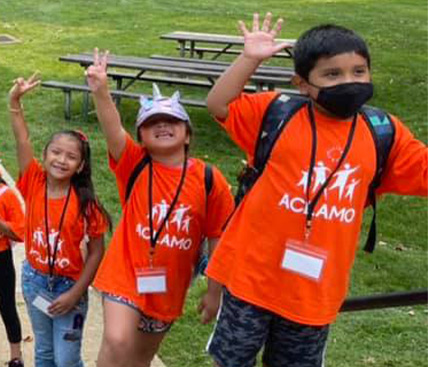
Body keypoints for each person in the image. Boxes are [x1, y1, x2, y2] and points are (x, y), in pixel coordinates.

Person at [205, 13, 427, 367]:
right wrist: (249, 59)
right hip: (251, 279)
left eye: (359, 71)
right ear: (303, 84)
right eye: (332, 74)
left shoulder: (384, 133)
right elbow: (218, 105)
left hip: (314, 292)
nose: (349, 81)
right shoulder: (276, 113)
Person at [85, 49, 234, 367]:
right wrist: (101, 91)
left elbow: (218, 237)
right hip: (124, 273)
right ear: (140, 136)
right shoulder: (134, 164)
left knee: (139, 359)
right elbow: (112, 128)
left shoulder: (210, 179)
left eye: (172, 121)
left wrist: (214, 290)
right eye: (152, 123)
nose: (163, 126)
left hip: (168, 286)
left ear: (188, 135)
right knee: (117, 339)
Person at [9, 74, 112, 367]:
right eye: (56, 152)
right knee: (43, 353)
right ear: (44, 155)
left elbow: (96, 252)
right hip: (34, 281)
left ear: (80, 166)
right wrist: (14, 102)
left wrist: (76, 291)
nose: (61, 160)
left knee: (66, 360)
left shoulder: (87, 204)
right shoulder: (33, 182)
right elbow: (22, 138)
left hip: (70, 287)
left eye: (70, 157)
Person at [0, 173, 25, 367]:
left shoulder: (6, 195)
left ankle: (16, 357)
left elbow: (20, 232)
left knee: (7, 306)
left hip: (1, 258)